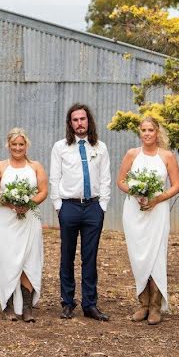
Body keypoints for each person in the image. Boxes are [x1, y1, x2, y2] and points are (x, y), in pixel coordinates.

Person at [116, 116, 179, 325]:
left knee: (156, 255)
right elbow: (121, 181)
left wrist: (157, 198)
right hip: (134, 210)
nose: (146, 134)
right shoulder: (132, 154)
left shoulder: (167, 156)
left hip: (157, 211)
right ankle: (142, 304)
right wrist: (136, 192)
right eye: (143, 130)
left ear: (157, 132)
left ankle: (155, 306)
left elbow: (175, 185)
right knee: (138, 256)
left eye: (150, 130)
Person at [49, 103, 111, 321]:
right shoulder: (60, 147)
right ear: (70, 123)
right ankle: (67, 303)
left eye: (82, 119)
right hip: (69, 207)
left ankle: (90, 304)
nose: (79, 123)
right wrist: (59, 206)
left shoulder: (100, 147)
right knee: (67, 256)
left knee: (90, 257)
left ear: (89, 121)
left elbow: (105, 179)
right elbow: (54, 178)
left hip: (93, 207)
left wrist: (102, 206)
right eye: (75, 120)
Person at [0, 128, 48, 322]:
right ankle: (9, 305)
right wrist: (10, 203)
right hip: (5, 220)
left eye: (21, 144)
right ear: (8, 145)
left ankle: (28, 308)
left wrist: (28, 204)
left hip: (29, 219)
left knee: (29, 260)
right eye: (14, 144)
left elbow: (43, 191)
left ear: (26, 145)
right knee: (8, 261)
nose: (17, 148)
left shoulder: (36, 167)